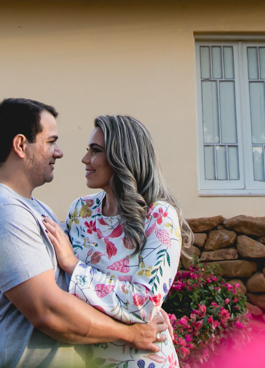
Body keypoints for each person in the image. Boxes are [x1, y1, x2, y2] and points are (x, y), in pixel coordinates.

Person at [0, 98, 168, 368]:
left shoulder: (38, 210)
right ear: (21, 145)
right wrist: (130, 332)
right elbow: (48, 311)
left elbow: (81, 280)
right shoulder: (3, 214)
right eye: (50, 142)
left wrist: (142, 310)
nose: (58, 152)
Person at [40, 115, 188, 368]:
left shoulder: (159, 217)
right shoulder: (81, 211)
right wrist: (128, 307)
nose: (85, 159)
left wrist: (75, 268)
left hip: (144, 359)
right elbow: (60, 288)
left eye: (95, 151)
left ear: (122, 157)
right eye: (88, 150)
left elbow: (143, 304)